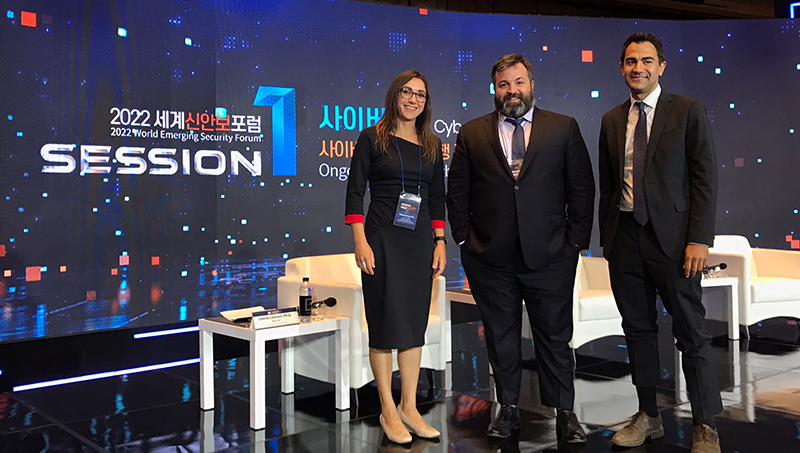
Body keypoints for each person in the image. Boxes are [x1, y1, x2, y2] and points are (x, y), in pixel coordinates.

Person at [447, 54, 595, 443]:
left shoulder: (562, 127)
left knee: (555, 337)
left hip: (550, 256)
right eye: (503, 85)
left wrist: (575, 242)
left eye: (518, 83)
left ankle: (565, 413)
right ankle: (508, 409)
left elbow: (581, 188)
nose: (511, 91)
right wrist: (464, 238)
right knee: (501, 337)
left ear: (532, 85)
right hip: (489, 257)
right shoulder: (472, 132)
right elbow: (457, 192)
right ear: (494, 89)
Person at [598, 32, 722, 453]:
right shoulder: (612, 119)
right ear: (621, 67)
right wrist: (608, 239)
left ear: (661, 67)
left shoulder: (687, 110)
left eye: (647, 61)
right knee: (637, 331)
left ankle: (706, 425)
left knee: (692, 332)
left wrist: (700, 240)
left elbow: (705, 179)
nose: (639, 68)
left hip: (675, 243)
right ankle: (648, 415)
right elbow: (609, 186)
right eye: (631, 61)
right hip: (626, 238)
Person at [345, 70, 446, 444]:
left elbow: (438, 200)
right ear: (395, 95)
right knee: (386, 323)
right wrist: (360, 241)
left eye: (420, 94)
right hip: (382, 239)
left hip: (420, 242)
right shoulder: (372, 138)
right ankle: (387, 409)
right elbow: (355, 194)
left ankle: (409, 407)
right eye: (407, 91)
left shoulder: (432, 144)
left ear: (426, 102)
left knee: (413, 324)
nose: (413, 99)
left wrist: (440, 241)